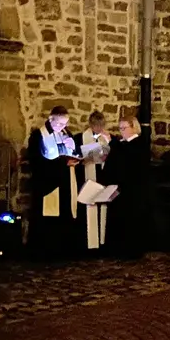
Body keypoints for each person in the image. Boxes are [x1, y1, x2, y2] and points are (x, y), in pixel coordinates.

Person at [27, 105, 82, 259]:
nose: (62, 127)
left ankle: (63, 250)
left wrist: (75, 150)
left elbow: (74, 152)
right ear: (50, 119)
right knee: (48, 217)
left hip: (65, 181)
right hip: (47, 183)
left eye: (65, 124)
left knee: (64, 214)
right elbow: (36, 161)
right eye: (58, 124)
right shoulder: (39, 136)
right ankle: (45, 251)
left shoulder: (66, 133)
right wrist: (61, 163)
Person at [101, 115, 151, 259]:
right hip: (118, 187)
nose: (122, 131)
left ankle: (130, 250)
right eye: (120, 128)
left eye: (124, 128)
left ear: (133, 127)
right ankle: (116, 249)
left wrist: (112, 143)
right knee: (118, 219)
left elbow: (128, 162)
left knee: (130, 221)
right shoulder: (122, 144)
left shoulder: (139, 144)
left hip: (132, 190)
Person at [73, 110, 113, 255]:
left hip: (102, 178)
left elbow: (113, 155)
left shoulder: (107, 138)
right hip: (86, 177)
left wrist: (106, 154)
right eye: (96, 126)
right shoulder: (80, 138)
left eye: (101, 126)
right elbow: (75, 157)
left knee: (102, 209)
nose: (98, 129)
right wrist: (83, 159)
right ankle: (86, 245)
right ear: (90, 124)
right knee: (87, 209)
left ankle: (102, 243)